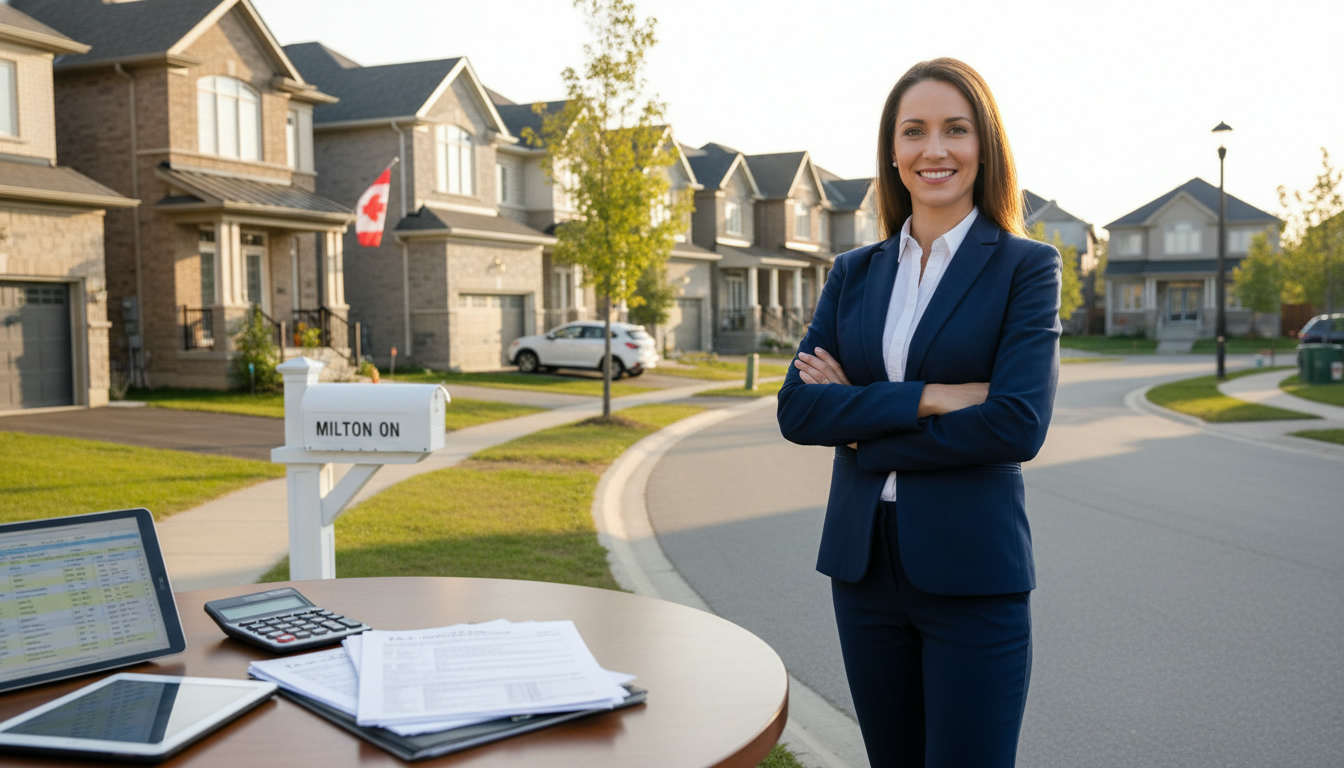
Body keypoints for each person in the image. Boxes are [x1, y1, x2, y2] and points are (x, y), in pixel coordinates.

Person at [776, 57, 1061, 767]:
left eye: (955, 129)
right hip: (864, 571)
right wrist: (930, 396)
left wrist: (860, 429)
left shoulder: (1026, 268)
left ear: (984, 145)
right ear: (893, 151)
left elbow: (1016, 424)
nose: (935, 149)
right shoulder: (854, 272)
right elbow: (799, 410)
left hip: (973, 575)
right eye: (915, 131)